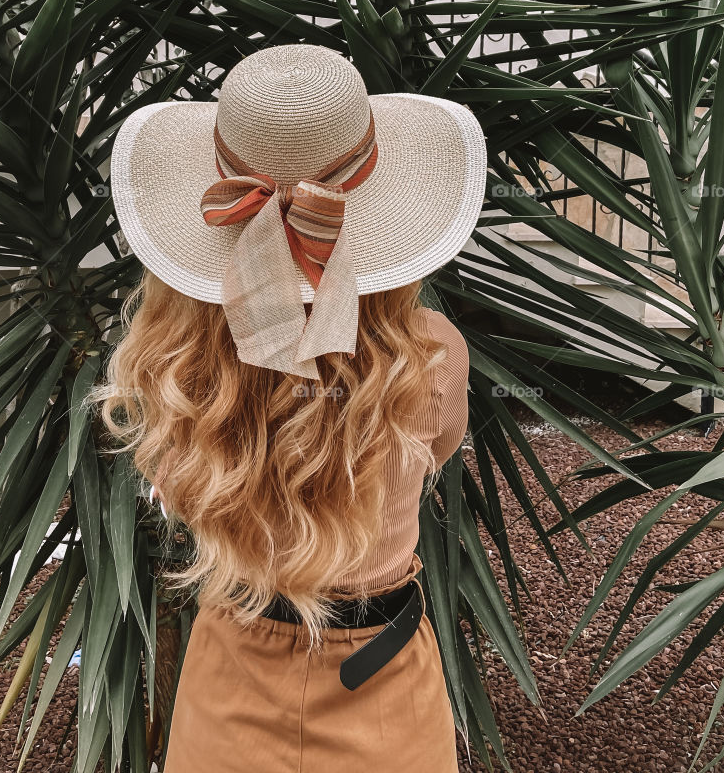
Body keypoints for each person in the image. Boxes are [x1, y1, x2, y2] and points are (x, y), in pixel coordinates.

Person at [98, 42, 487, 771]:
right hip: (385, 671)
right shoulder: (432, 355)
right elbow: (434, 455)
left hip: (231, 665)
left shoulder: (179, 362)